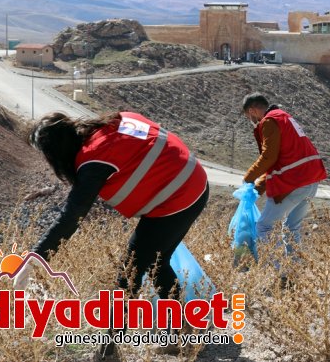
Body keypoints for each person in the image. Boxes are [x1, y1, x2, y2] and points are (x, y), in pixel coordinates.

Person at [17, 111, 209, 360]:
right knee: (154, 262)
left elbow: (71, 217)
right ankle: (182, 332)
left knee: (129, 272)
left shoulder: (94, 162)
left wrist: (34, 259)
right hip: (192, 183)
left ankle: (109, 352)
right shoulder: (108, 126)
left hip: (177, 198)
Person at [241, 92, 327, 258]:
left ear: (252, 111)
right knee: (291, 227)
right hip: (311, 182)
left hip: (293, 183)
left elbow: (269, 157)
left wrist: (248, 179)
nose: (250, 121)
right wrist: (258, 188)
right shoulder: (285, 118)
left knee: (264, 227)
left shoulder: (269, 122)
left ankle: (280, 272)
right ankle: (294, 273)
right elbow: (282, 161)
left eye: (248, 116)